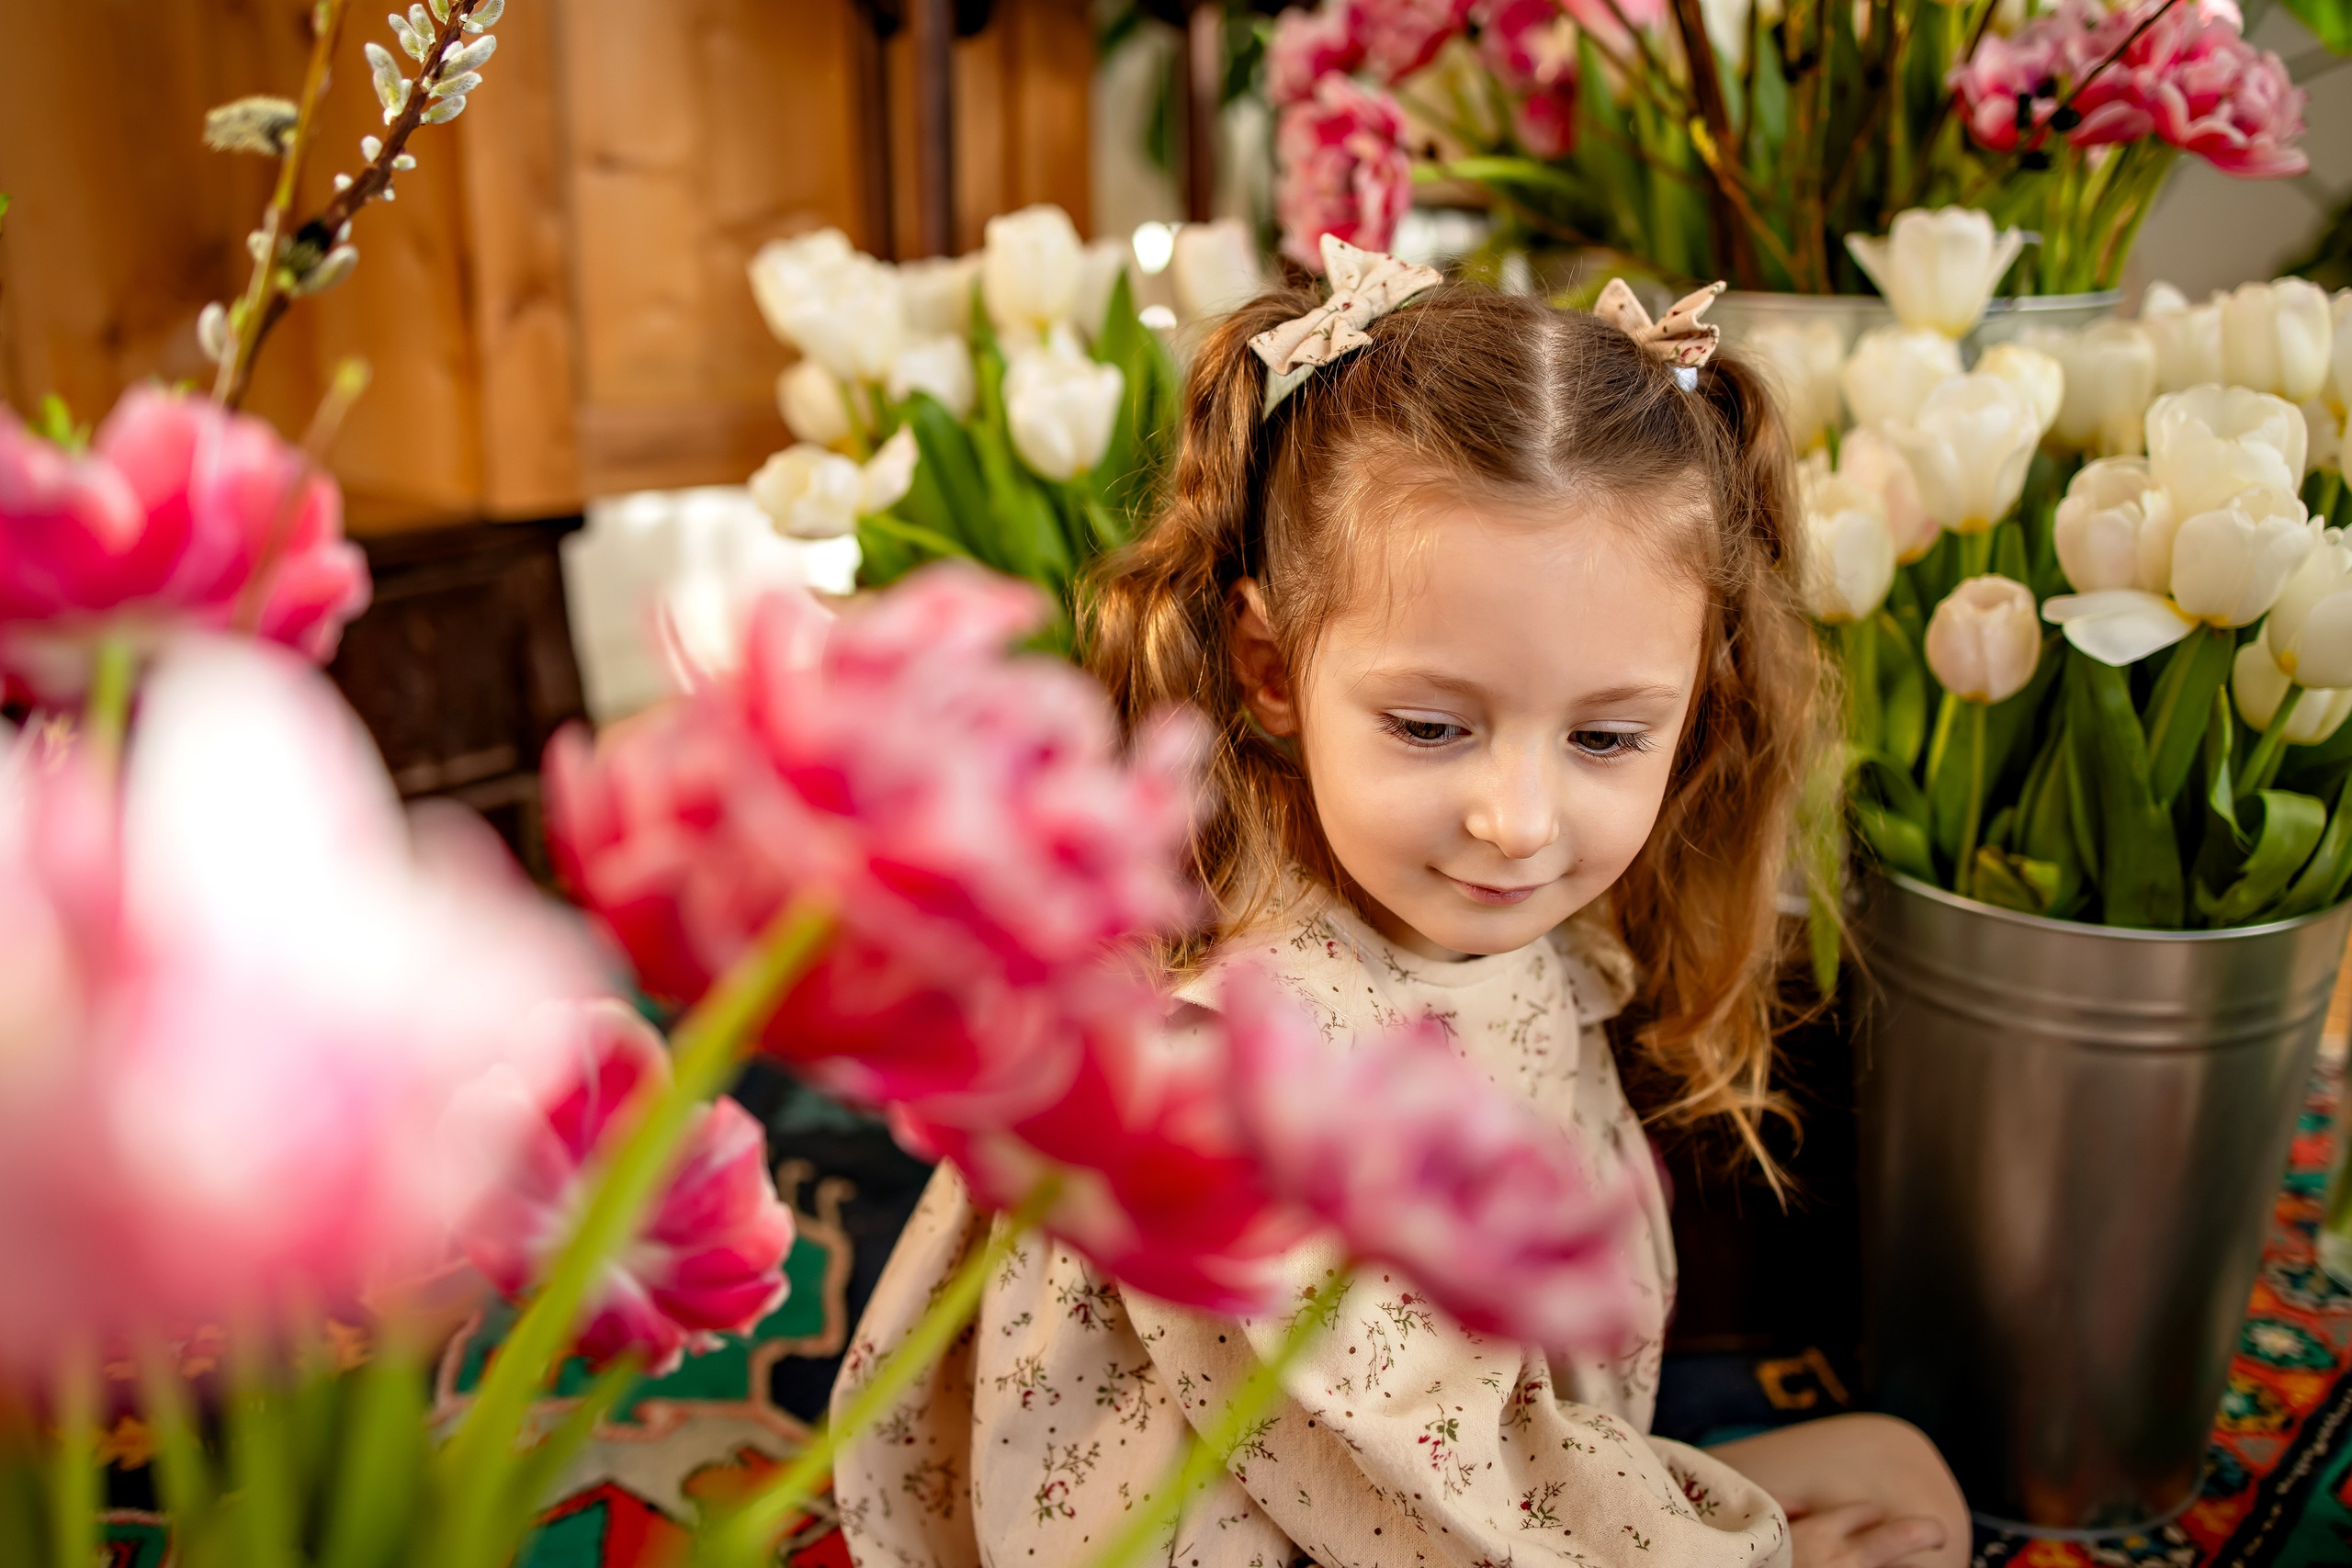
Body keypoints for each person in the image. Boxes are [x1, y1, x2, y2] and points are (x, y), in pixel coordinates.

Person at [831, 241, 1968, 1568]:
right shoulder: (1232, 1081)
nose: (1520, 820)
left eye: (1606, 739)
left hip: (1480, 1481)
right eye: (1433, 726)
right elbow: (1418, 1486)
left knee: (1903, 1475)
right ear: (1269, 668)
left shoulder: (1493, 915)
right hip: (1303, 1530)